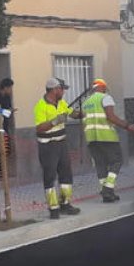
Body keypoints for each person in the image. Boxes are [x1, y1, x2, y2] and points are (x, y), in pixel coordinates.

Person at [82, 78, 134, 202]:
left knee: (100, 164)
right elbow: (111, 116)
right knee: (116, 161)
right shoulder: (105, 97)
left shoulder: (86, 102)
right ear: (102, 87)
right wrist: (127, 126)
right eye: (105, 88)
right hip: (106, 137)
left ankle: (107, 193)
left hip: (91, 138)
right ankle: (108, 188)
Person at [34, 78, 83, 219]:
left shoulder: (61, 103)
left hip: (61, 144)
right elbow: (40, 127)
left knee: (66, 174)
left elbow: (71, 112)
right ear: (55, 89)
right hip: (47, 146)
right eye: (62, 89)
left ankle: (65, 204)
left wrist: (81, 113)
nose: (64, 92)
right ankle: (53, 208)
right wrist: (55, 121)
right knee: (49, 176)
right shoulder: (41, 106)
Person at [0, 77, 15, 159]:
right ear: (5, 87)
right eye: (10, 88)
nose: (11, 91)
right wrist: (5, 111)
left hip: (5, 124)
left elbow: (8, 109)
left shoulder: (7, 97)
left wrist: (10, 111)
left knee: (6, 146)